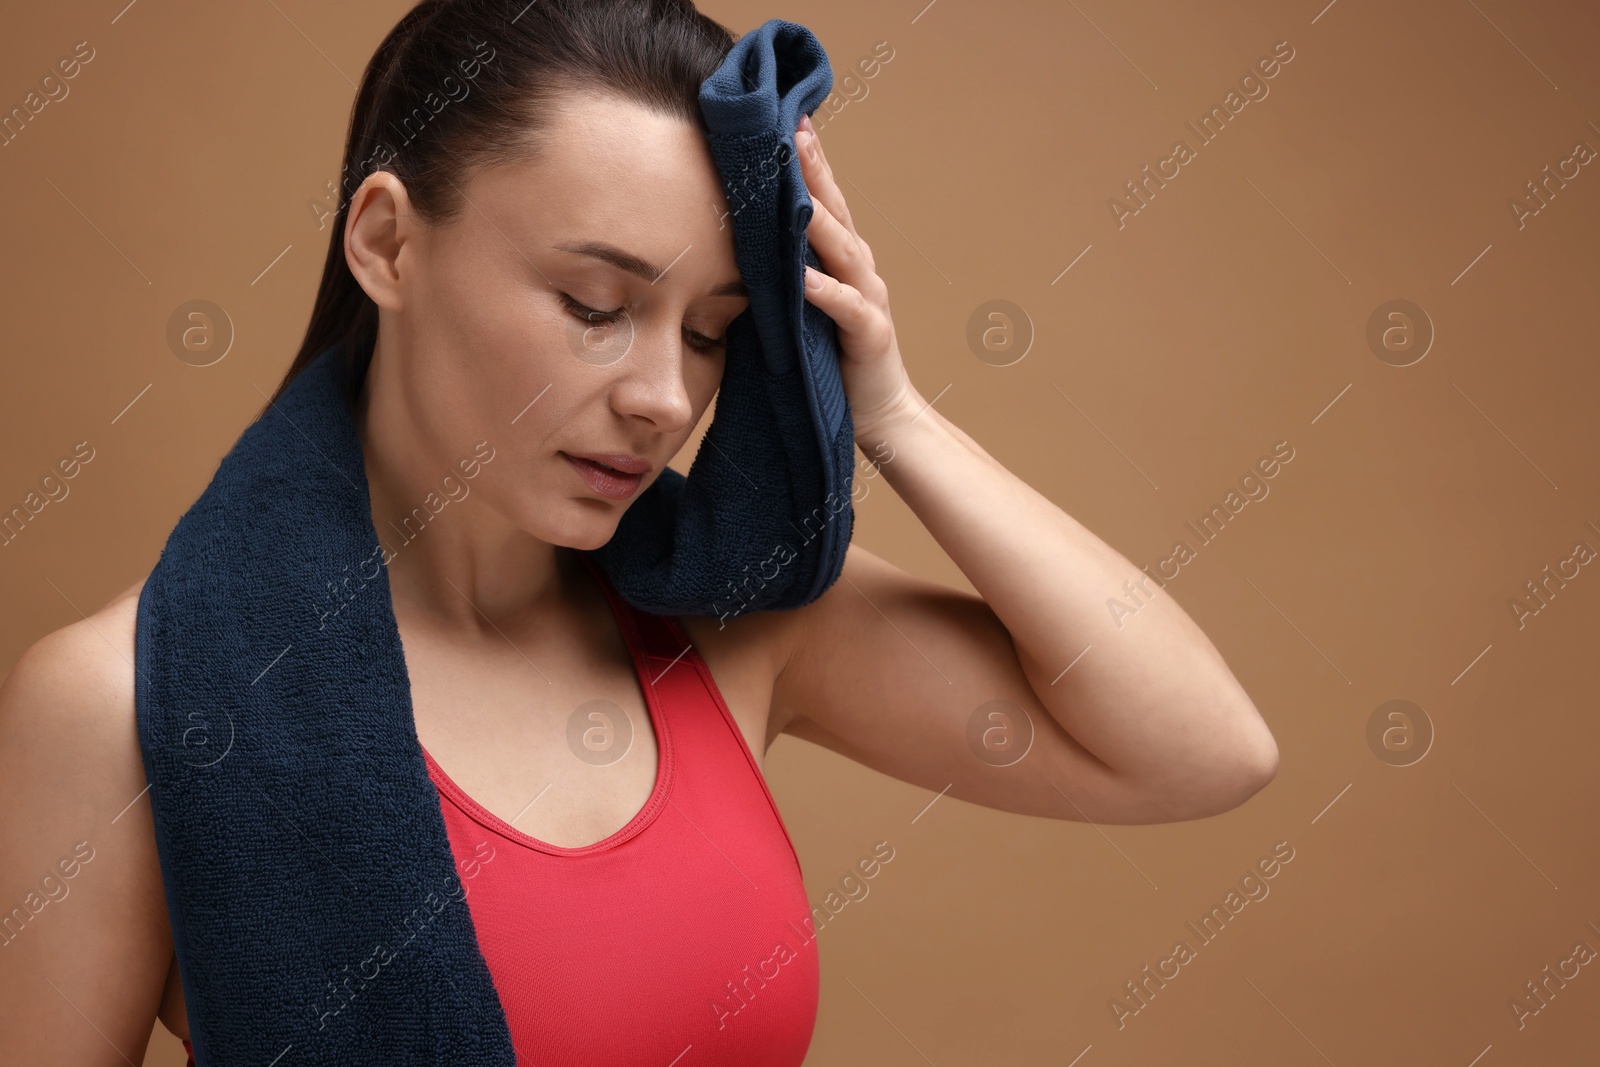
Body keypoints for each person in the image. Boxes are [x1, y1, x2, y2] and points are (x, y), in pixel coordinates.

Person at [0, 0, 1278, 1063]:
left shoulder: (733, 617)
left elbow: (1200, 750)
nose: (665, 397)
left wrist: (891, 413)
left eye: (714, 327)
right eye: (595, 303)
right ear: (387, 242)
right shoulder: (127, 701)